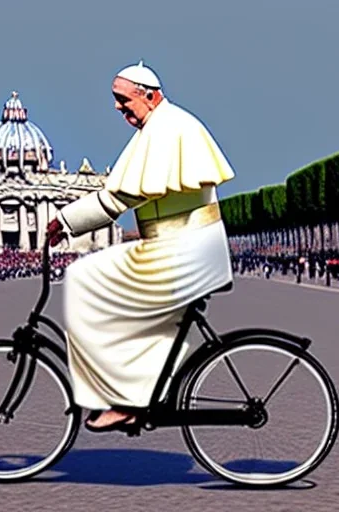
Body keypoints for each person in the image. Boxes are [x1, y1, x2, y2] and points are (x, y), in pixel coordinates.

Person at [47, 60, 236, 432]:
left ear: (148, 96)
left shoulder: (166, 130)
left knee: (90, 287)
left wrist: (65, 221)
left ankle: (128, 403)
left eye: (122, 100)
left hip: (183, 256)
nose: (118, 108)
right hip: (178, 251)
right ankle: (140, 396)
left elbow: (118, 199)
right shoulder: (163, 126)